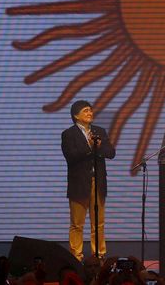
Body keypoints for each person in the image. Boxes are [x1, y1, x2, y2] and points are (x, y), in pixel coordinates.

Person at [61, 100, 116, 261]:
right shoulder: (68, 134)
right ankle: (76, 256)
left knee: (98, 223)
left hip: (98, 183)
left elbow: (111, 153)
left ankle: (99, 255)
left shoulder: (99, 131)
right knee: (77, 224)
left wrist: (99, 146)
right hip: (79, 185)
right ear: (76, 116)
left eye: (91, 110)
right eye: (86, 111)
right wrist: (90, 148)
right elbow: (71, 157)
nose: (90, 113)